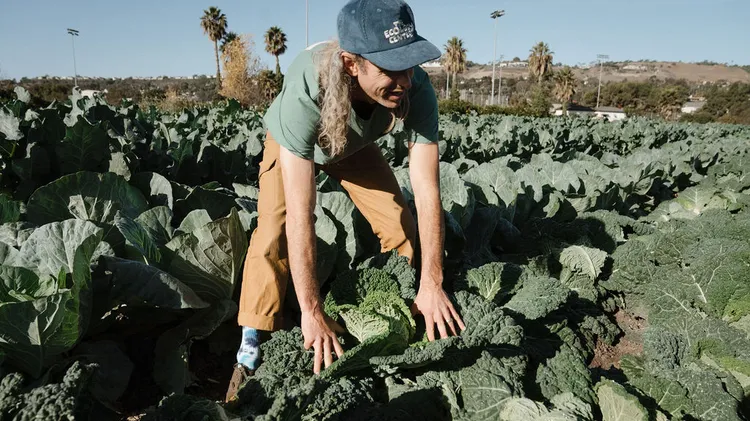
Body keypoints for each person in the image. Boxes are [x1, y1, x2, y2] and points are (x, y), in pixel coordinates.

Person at [225, 0, 465, 403]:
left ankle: (401, 314)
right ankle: (250, 343)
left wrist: (432, 281)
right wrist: (312, 310)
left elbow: (426, 190)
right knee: (274, 229)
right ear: (352, 64)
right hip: (298, 143)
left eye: (408, 64)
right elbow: (304, 215)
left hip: (351, 146)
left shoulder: (416, 87)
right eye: (391, 68)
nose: (404, 79)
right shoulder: (308, 85)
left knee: (400, 224)